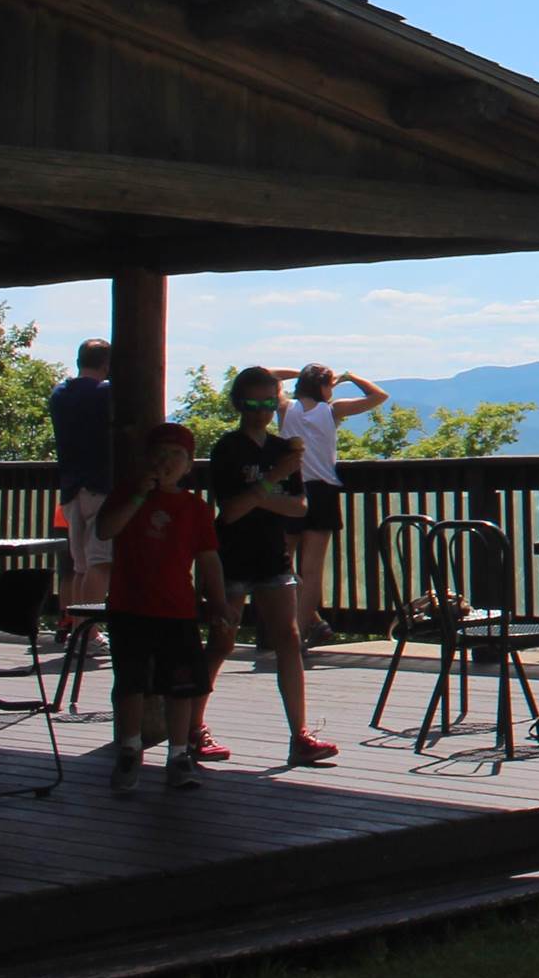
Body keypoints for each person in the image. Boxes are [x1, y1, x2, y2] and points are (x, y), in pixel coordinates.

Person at [208, 367, 341, 765]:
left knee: (289, 640)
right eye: (254, 403)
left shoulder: (283, 449)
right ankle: (193, 727)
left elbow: (299, 507)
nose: (263, 410)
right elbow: (230, 512)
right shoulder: (228, 449)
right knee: (221, 642)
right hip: (232, 555)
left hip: (272, 555)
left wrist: (256, 495)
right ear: (239, 404)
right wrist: (273, 483)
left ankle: (299, 735)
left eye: (270, 402)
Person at [93, 423, 227, 791]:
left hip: (177, 609)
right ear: (146, 459)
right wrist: (138, 495)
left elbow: (209, 557)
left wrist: (218, 601)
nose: (167, 462)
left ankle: (179, 754)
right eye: (160, 454)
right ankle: (129, 749)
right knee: (130, 683)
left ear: (188, 465)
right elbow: (104, 531)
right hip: (129, 607)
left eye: (176, 455)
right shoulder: (126, 494)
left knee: (181, 687)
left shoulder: (195, 508)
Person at [269, 363, 388, 646]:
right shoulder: (333, 410)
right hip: (323, 491)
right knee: (311, 571)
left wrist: (300, 373)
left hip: (289, 489)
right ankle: (302, 631)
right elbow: (378, 396)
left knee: (278, 563)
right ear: (324, 386)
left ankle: (304, 626)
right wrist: (349, 376)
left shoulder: (284, 408)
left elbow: (268, 375)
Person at [48, 338, 115, 616]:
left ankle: (78, 628)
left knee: (81, 566)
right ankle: (89, 629)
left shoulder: (59, 394)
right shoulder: (106, 393)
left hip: (70, 490)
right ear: (107, 364)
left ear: (79, 361)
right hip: (100, 486)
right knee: (100, 562)